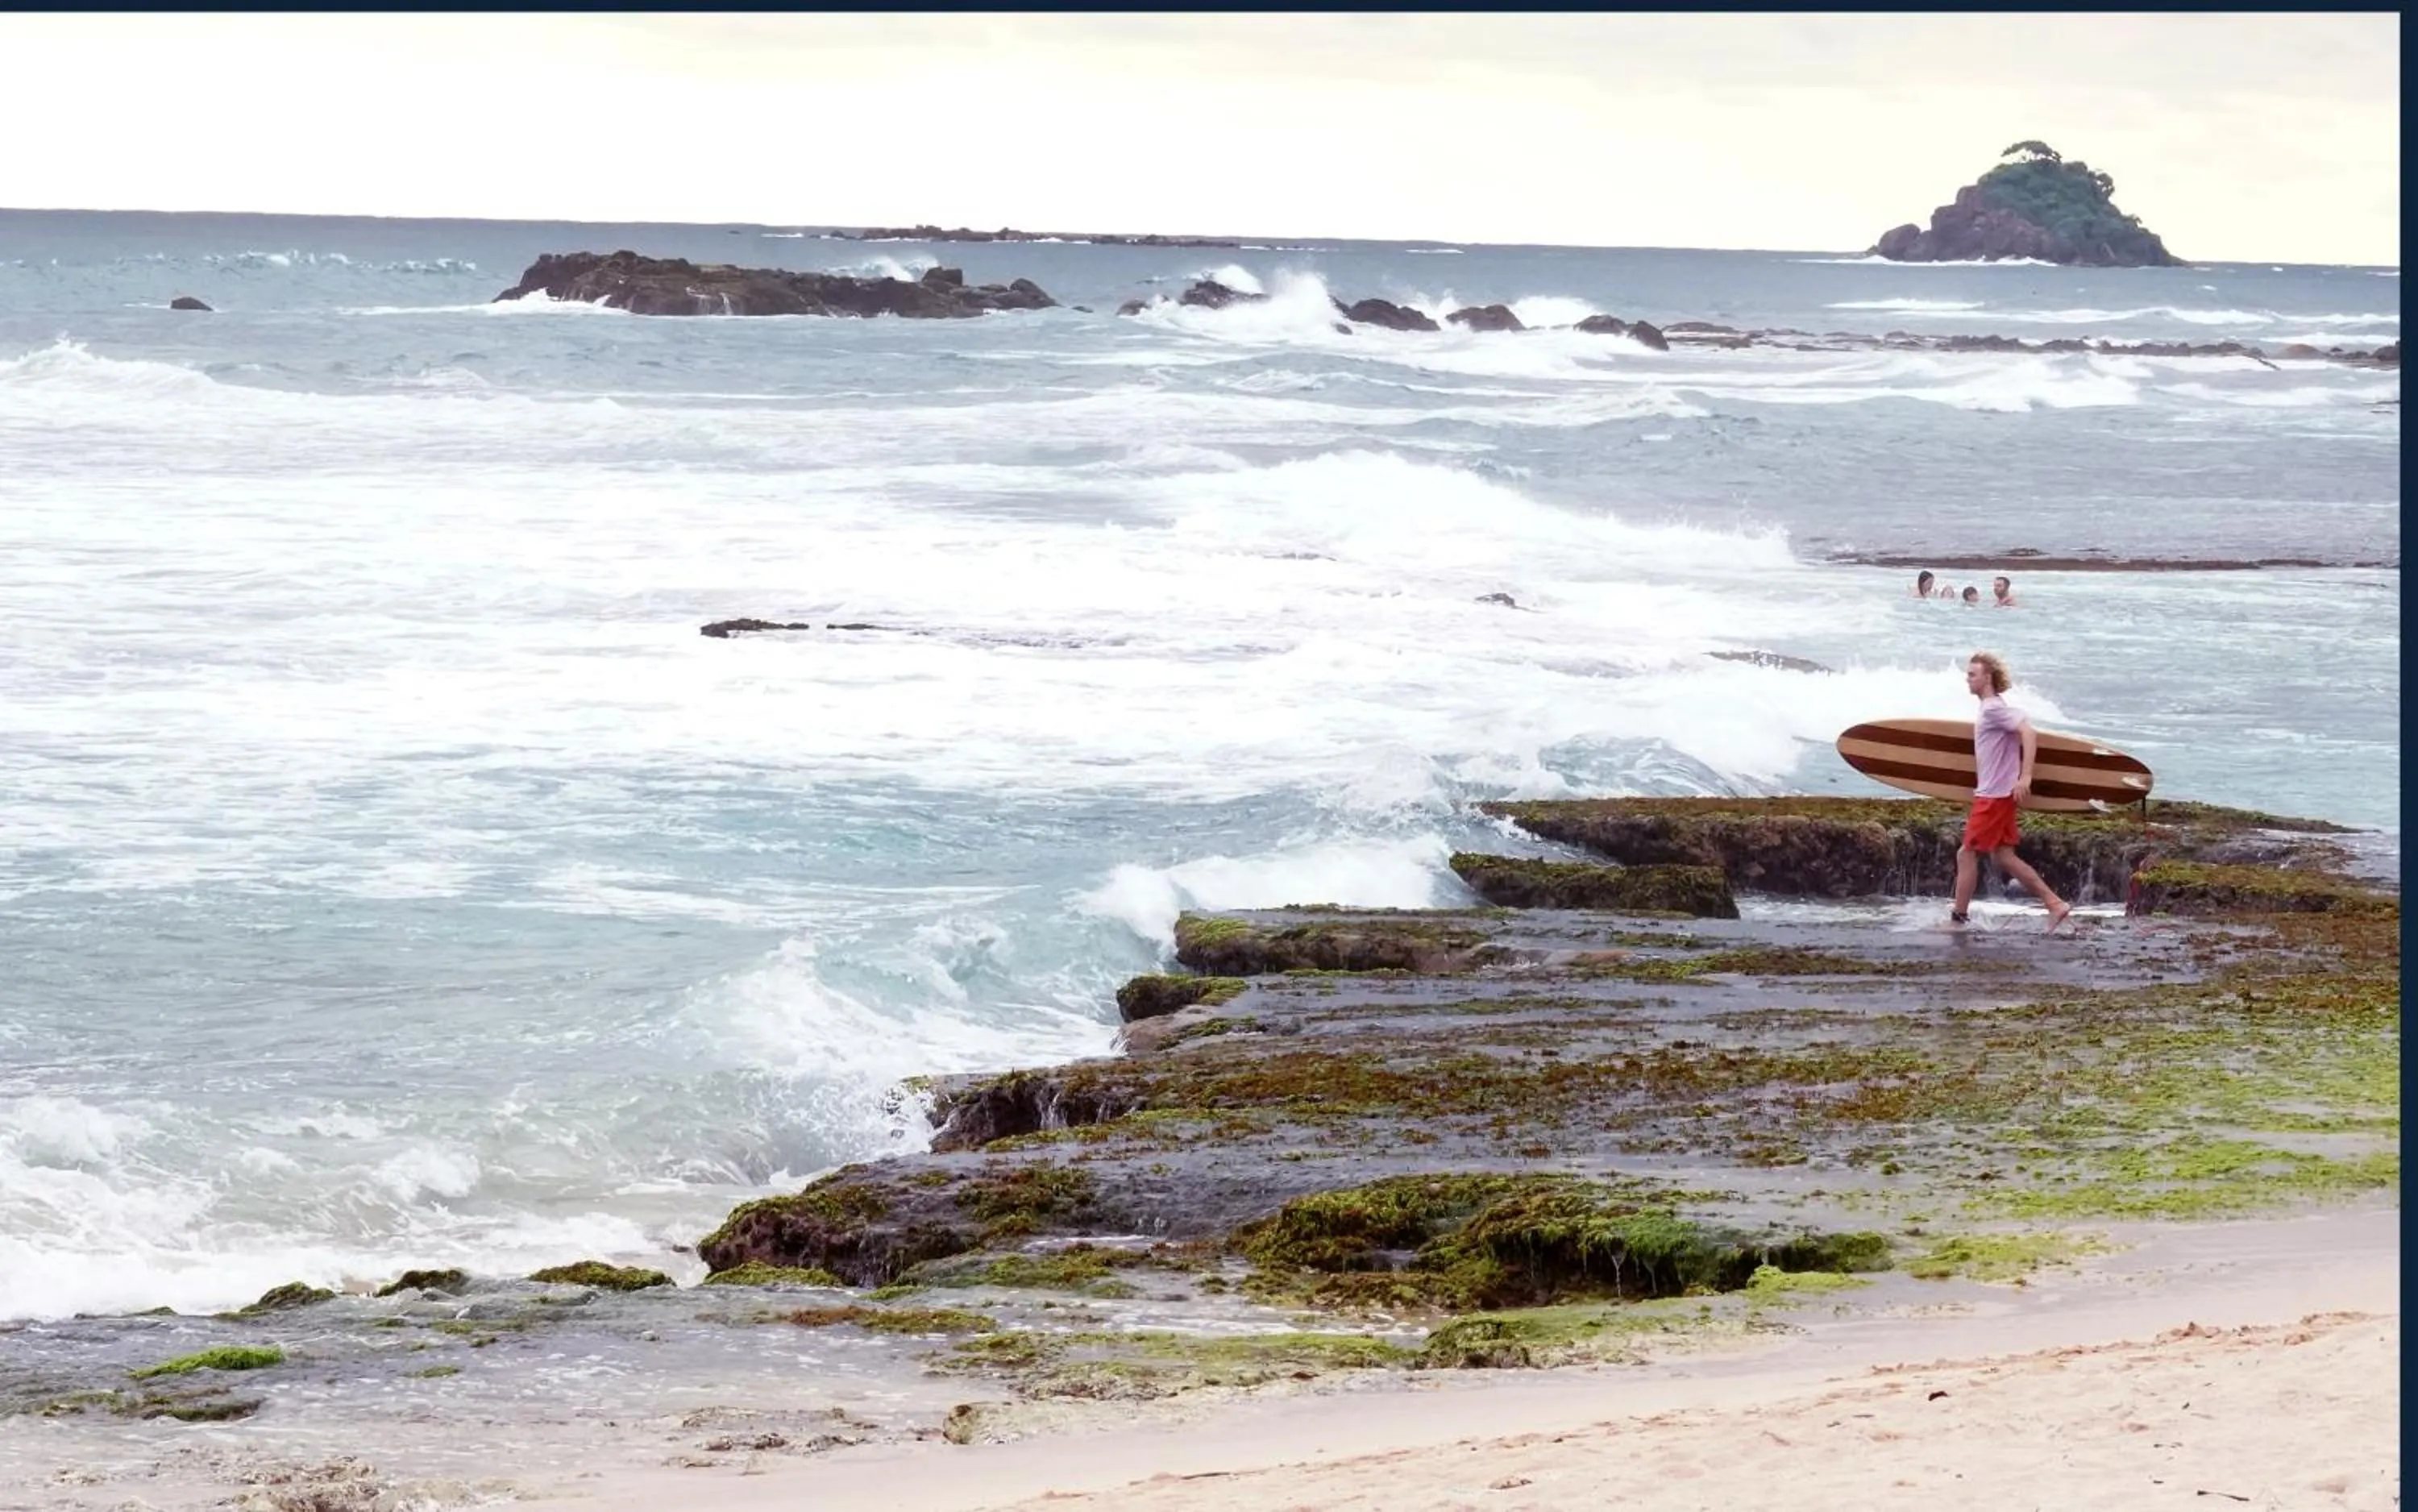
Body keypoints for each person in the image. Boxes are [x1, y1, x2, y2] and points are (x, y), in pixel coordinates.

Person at [1951, 651, 2073, 932]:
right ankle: (2055, 904)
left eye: (1972, 674)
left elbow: (2028, 733)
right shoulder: (1994, 707)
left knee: (1966, 854)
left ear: (1987, 677)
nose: (1967, 679)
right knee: (2003, 857)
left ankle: (1958, 919)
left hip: (1994, 797)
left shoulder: (1993, 708)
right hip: (1997, 793)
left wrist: (2025, 776)